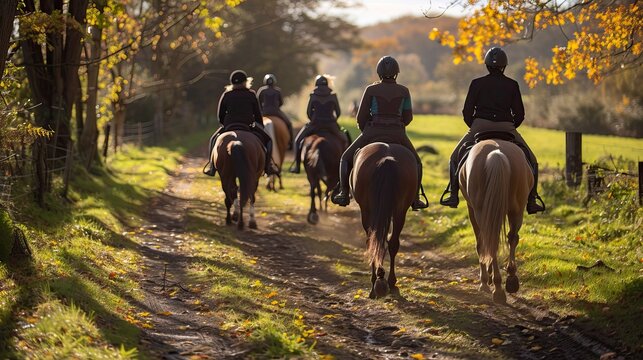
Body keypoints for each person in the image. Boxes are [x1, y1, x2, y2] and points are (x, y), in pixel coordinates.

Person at [439, 47, 545, 214]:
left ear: (487, 65)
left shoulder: (476, 83)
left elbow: (467, 112)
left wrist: (474, 126)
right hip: (506, 127)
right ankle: (532, 200)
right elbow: (520, 114)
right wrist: (510, 128)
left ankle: (452, 194)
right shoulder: (512, 85)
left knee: (454, 157)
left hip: (480, 126)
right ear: (504, 66)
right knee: (532, 160)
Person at [331, 56, 428, 210]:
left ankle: (343, 192)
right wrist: (398, 127)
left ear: (379, 72)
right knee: (417, 162)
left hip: (372, 131)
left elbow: (360, 117)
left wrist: (367, 131)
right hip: (397, 133)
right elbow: (408, 117)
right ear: (397, 72)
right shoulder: (404, 91)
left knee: (345, 158)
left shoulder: (371, 90)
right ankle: (415, 198)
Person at [203, 70, 279, 177]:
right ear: (245, 82)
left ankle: (211, 167)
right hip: (248, 126)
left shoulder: (226, 95)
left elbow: (220, 116)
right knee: (269, 141)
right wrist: (259, 126)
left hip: (229, 126)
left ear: (232, 83)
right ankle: (268, 167)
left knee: (213, 140)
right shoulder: (251, 94)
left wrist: (225, 125)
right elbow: (257, 114)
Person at [289, 75, 345, 174]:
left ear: (316, 84)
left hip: (315, 125)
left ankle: (297, 166)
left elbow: (308, 113)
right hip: (331, 125)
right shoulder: (333, 96)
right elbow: (338, 112)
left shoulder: (313, 96)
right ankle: (346, 166)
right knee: (345, 140)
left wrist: (313, 120)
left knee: (298, 141)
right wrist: (333, 120)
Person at [256, 74, 294, 149]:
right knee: (289, 124)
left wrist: (261, 110)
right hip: (276, 112)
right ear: (274, 82)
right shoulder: (277, 91)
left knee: (255, 124)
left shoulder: (261, 90)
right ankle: (290, 143)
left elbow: (258, 102)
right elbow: (281, 103)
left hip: (265, 112)